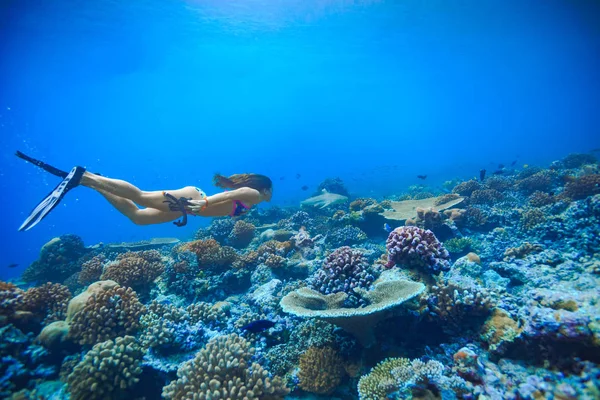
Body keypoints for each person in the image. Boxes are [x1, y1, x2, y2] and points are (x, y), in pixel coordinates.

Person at [15, 151, 272, 231]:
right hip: (193, 201)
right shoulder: (255, 196)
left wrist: (202, 207)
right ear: (265, 188)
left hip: (188, 207)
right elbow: (227, 197)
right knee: (138, 196)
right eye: (270, 190)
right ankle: (84, 175)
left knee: (138, 218)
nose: (271, 195)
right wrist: (204, 205)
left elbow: (227, 199)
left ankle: (90, 181)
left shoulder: (252, 196)